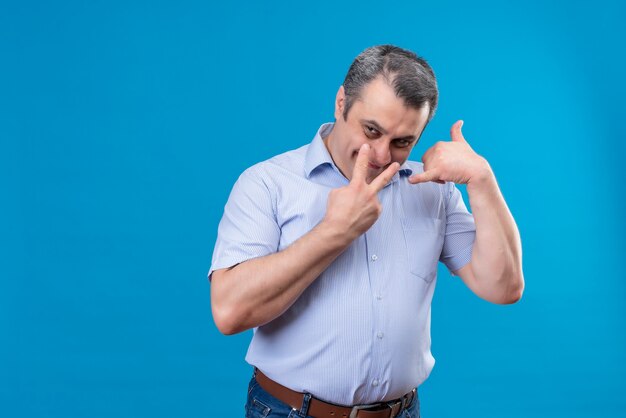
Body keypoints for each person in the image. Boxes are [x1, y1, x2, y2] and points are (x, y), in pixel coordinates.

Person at [208, 44, 524, 418]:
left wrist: (482, 180)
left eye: (402, 142)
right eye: (370, 130)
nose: (379, 154)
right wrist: (334, 232)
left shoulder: (433, 188)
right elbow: (229, 312)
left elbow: (503, 287)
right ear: (341, 103)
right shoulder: (267, 183)